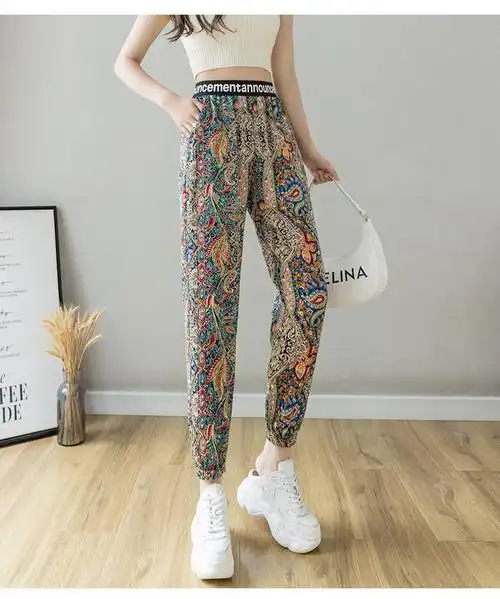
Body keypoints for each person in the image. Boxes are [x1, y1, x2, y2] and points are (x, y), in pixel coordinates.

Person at [114, 14, 340, 580]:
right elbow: (125, 61)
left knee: (307, 292)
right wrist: (171, 102)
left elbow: (285, 71)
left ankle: (272, 469)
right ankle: (210, 494)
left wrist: (308, 147)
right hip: (210, 129)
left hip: (273, 132)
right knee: (210, 310)